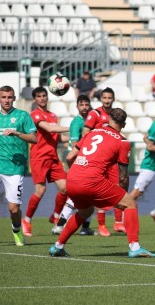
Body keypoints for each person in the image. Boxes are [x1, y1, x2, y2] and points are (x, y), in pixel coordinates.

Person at [50, 108, 155, 258]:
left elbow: (69, 156)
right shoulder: (123, 141)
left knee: (85, 212)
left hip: (73, 178)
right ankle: (134, 247)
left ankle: (58, 246)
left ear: (108, 120)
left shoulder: (92, 133)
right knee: (130, 203)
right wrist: (123, 195)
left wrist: (77, 173)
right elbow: (123, 176)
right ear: (124, 125)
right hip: (91, 180)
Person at [0, 86, 37, 246]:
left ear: (14, 98)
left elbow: (34, 139)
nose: (6, 100)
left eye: (9, 97)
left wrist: (18, 133)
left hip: (15, 170)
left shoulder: (22, 116)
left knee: (13, 209)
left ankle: (17, 230)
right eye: (4, 97)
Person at [21, 87, 70, 237]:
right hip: (39, 157)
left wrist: (77, 137)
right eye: (39, 96)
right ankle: (27, 220)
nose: (42, 98)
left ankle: (55, 216)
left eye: (44, 96)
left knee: (66, 189)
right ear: (35, 99)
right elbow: (49, 129)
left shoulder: (53, 115)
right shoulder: (34, 115)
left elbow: (58, 138)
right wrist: (73, 128)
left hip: (53, 157)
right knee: (40, 190)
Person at [83, 87, 123, 236]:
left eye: (109, 98)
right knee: (101, 192)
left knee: (117, 188)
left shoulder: (115, 115)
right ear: (101, 99)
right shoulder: (95, 114)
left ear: (113, 99)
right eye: (104, 98)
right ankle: (101, 225)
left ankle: (118, 223)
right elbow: (86, 133)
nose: (107, 101)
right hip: (98, 160)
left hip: (111, 159)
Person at [54, 95, 94, 236]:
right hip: (80, 163)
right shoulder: (76, 123)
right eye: (81, 104)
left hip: (89, 162)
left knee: (88, 195)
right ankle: (60, 225)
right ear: (77, 107)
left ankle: (83, 227)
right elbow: (74, 146)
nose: (84, 107)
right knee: (81, 195)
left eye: (86, 104)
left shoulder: (91, 121)